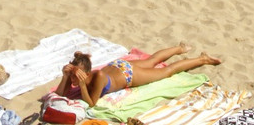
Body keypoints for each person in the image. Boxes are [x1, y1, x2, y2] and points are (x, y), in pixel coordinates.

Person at [59, 46, 222, 106]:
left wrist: (81, 85)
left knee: (166, 72)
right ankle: (179, 49)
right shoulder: (77, 76)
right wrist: (65, 77)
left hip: (127, 74)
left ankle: (202, 59)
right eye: (72, 75)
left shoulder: (98, 77)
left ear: (87, 73)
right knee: (151, 61)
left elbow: (91, 103)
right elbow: (61, 93)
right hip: (118, 66)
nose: (74, 79)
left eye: (76, 76)